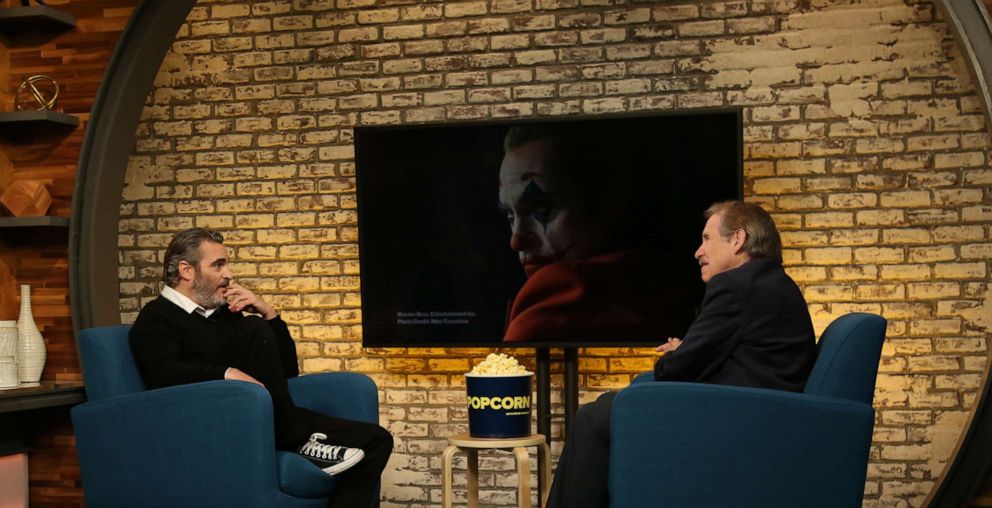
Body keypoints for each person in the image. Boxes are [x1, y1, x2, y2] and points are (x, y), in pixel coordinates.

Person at [546, 200, 818, 508]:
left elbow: (675, 370)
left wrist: (679, 353)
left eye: (706, 239)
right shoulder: (769, 282)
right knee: (612, 405)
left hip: (737, 422)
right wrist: (687, 350)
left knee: (592, 418)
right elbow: (728, 352)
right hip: (754, 414)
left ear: (738, 240)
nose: (698, 252)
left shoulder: (735, 285)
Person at [129, 228, 393, 508]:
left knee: (376, 441)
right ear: (186, 270)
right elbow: (162, 374)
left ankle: (297, 441)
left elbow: (288, 371)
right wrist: (225, 373)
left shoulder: (224, 316)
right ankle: (297, 442)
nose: (228, 274)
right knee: (253, 328)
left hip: (271, 418)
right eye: (218, 265)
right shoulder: (156, 317)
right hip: (217, 426)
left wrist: (269, 314)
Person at [498, 124, 696, 343]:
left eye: (542, 208)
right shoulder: (672, 282)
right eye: (510, 214)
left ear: (610, 199)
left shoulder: (564, 287)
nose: (516, 240)